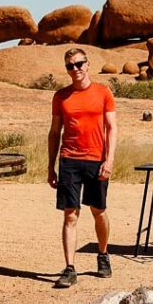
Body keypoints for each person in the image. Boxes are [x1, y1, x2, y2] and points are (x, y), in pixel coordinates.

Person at [47, 47, 118, 288]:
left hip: (96, 159)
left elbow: (112, 128)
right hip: (69, 160)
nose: (75, 69)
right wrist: (50, 165)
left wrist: (109, 160)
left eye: (79, 64)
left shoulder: (103, 92)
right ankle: (69, 268)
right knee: (70, 214)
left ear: (88, 65)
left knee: (98, 211)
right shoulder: (61, 96)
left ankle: (103, 254)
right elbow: (55, 132)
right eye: (70, 66)